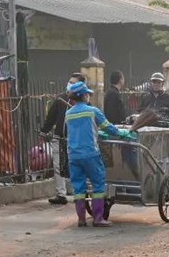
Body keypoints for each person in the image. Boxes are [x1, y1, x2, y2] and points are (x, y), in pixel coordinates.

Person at [64, 81, 130, 227]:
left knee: (79, 187)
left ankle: (81, 219)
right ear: (84, 96)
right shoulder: (92, 111)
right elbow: (108, 128)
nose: (89, 96)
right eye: (87, 94)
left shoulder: (68, 114)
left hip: (73, 156)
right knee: (98, 183)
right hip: (90, 154)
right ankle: (98, 218)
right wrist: (122, 133)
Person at [39, 72, 84, 205]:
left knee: (76, 166)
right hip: (59, 138)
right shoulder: (60, 99)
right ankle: (61, 194)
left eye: (73, 83)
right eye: (69, 82)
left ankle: (79, 193)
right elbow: (51, 118)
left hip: (75, 140)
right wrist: (43, 131)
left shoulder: (83, 103)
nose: (70, 84)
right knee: (58, 166)